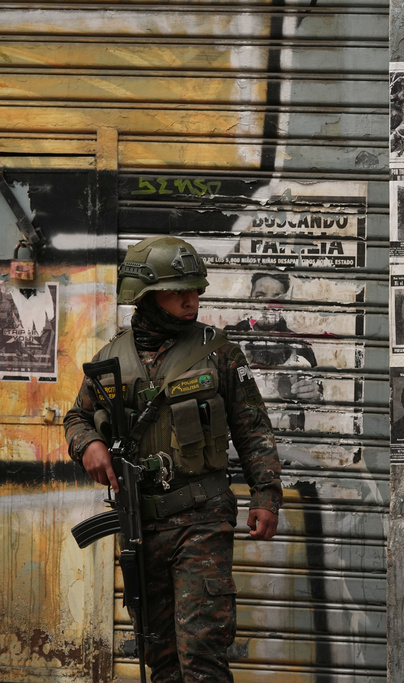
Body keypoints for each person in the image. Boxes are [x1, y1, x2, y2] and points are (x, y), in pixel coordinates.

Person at [64, 236, 282, 682]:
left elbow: (253, 427)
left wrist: (266, 494)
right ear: (145, 295)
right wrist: (87, 444)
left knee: (202, 654)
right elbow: (76, 417)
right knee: (160, 656)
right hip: (142, 526)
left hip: (202, 519)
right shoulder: (110, 359)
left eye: (195, 290)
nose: (191, 300)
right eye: (178, 291)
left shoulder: (218, 351)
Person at [226, 272, 321, 400]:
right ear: (250, 301)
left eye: (277, 297)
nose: (268, 305)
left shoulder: (300, 347)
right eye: (260, 296)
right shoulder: (229, 340)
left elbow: (317, 393)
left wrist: (314, 393)